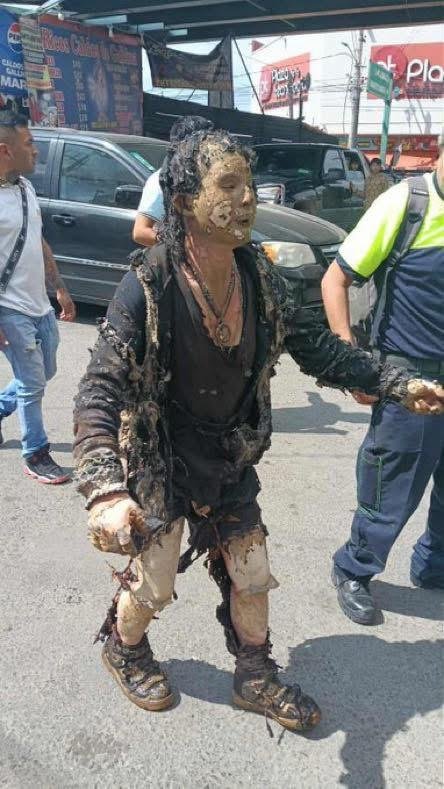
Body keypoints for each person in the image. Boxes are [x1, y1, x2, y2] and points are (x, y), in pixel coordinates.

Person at [73, 128, 443, 732]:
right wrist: (105, 490)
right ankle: (124, 647)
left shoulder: (262, 278)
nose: (247, 198)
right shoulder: (148, 284)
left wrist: (397, 384)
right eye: (228, 185)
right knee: (154, 583)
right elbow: (98, 390)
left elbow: (322, 351)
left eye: (248, 183)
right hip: (163, 459)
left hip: (230, 456)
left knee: (250, 571)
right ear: (185, 200)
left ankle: (254, 673)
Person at [322, 131, 444, 625]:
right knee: (389, 490)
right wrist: (353, 362)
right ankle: (353, 569)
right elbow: (336, 279)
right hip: (409, 380)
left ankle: (434, 566)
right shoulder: (407, 204)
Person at [0, 111, 76, 483]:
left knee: (46, 371)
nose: (36, 150)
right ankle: (36, 453)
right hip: (9, 308)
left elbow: (38, 240)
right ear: (5, 150)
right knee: (32, 382)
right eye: (29, 143)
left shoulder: (25, 188)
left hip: (39, 305)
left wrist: (59, 287)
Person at [132, 115, 213, 247]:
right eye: (204, 142)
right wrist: (185, 247)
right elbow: (140, 232)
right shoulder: (163, 180)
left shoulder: (211, 176)